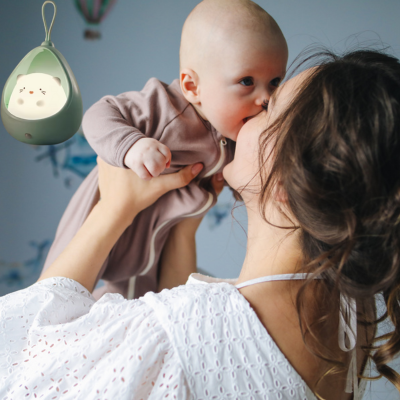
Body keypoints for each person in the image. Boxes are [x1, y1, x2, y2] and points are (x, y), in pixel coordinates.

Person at [2, 48, 400, 400]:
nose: (250, 112)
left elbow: (18, 360)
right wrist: (184, 224)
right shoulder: (350, 318)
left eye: (270, 108)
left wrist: (112, 211)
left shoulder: (178, 333)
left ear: (287, 180)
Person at [40, 0, 288, 300]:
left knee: (138, 306)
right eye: (247, 81)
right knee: (55, 295)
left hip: (155, 239)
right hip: (104, 212)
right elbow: (98, 113)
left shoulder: (235, 133)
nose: (265, 98)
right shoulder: (164, 107)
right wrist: (132, 145)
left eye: (274, 83)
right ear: (192, 86)